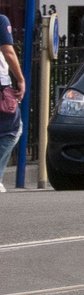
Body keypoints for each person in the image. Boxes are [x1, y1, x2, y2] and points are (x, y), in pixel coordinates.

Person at [0, 10, 25, 193]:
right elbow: (8, 51)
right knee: (12, 130)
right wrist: (20, 79)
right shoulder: (1, 21)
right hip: (1, 87)